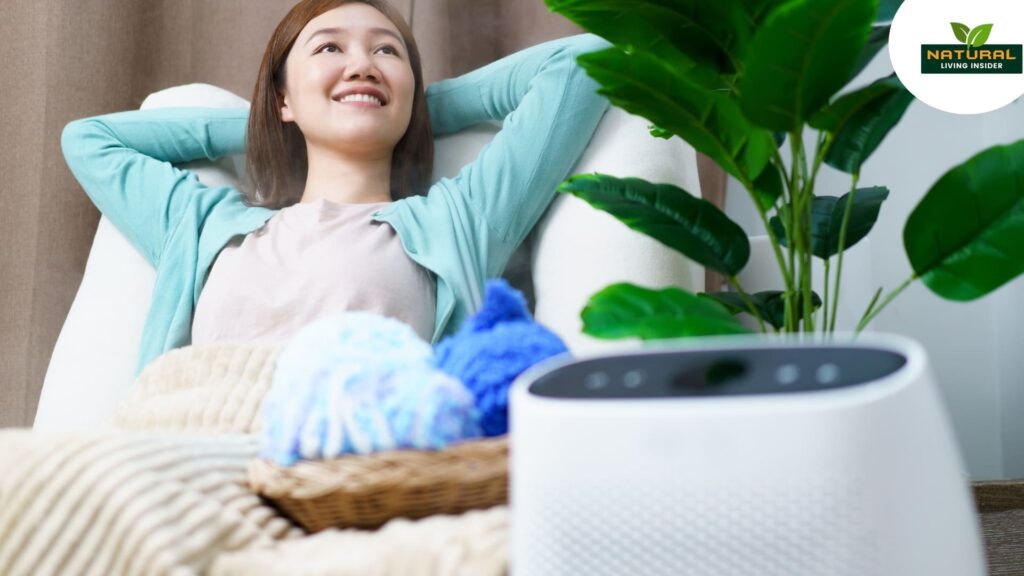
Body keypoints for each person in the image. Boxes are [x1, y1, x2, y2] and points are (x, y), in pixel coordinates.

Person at [61, 0, 611, 377]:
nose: (361, 65)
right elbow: (88, 139)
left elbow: (583, 62)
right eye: (329, 49)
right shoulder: (202, 225)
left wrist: (416, 108)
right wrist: (276, 122)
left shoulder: (457, 221)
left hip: (354, 486)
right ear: (281, 98)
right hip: (197, 462)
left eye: (386, 52)